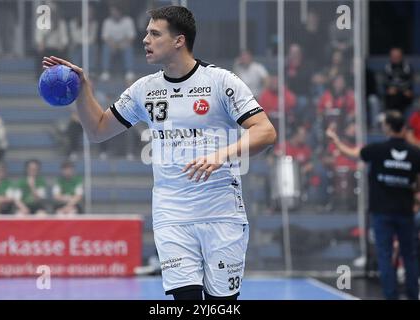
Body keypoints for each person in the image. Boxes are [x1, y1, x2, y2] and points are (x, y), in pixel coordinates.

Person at [42, 5, 276, 300]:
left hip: (222, 213)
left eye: (154, 33)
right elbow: (98, 130)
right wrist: (82, 90)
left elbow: (265, 132)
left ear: (179, 40)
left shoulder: (221, 82)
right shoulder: (144, 90)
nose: (145, 40)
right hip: (172, 215)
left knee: (222, 305)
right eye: (146, 33)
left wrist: (221, 155)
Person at [326, 111, 419, 300]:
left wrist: (335, 139)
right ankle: (412, 295)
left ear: (387, 128)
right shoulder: (415, 153)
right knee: (409, 256)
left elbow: (350, 153)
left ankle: (390, 296)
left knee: (384, 256)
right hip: (405, 212)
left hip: (382, 212)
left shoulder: (377, 149)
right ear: (403, 128)